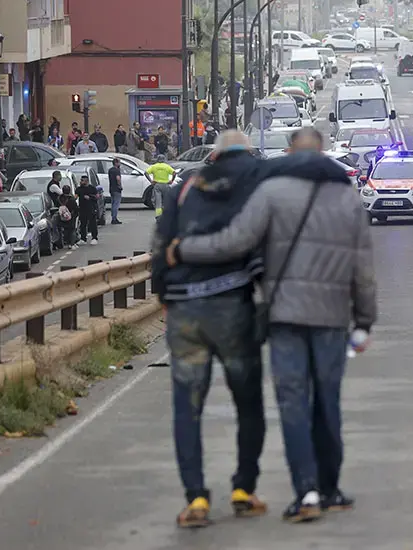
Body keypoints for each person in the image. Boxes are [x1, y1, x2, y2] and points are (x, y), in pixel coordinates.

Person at [167, 135, 377, 524]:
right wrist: (364, 319)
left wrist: (183, 251)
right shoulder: (347, 197)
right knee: (326, 401)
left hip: (283, 316)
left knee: (292, 403)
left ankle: (306, 491)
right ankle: (325, 488)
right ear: (323, 150)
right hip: (331, 317)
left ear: (290, 155)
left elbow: (236, 241)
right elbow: (363, 267)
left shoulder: (270, 191)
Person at [151, 131, 270, 528]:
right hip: (232, 304)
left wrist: (164, 294)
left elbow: (160, 243)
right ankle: (242, 488)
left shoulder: (186, 186)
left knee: (187, 407)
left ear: (214, 154)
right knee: (248, 400)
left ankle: (196, 500)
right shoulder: (258, 177)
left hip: (185, 307)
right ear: (247, 151)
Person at [147, 154, 177, 220]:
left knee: (158, 202)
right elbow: (174, 173)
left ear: (157, 159)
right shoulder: (167, 166)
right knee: (166, 201)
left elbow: (146, 173)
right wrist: (171, 180)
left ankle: (158, 216)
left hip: (157, 185)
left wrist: (151, 181)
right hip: (166, 185)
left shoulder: (154, 166)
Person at [74, 175, 99, 245]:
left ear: (86, 181)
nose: (80, 182)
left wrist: (90, 197)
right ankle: (83, 239)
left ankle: (94, 238)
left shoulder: (92, 188)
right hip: (82, 209)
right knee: (83, 224)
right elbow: (75, 197)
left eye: (82, 180)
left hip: (91, 208)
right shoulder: (79, 189)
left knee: (92, 223)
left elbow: (97, 197)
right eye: (80, 180)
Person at [58, 185, 79, 250]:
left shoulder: (60, 198)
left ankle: (68, 243)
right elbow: (75, 208)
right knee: (72, 230)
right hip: (71, 217)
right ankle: (72, 243)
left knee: (66, 230)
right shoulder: (72, 199)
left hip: (63, 217)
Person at [108, 158, 124, 224]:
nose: (120, 164)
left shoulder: (110, 170)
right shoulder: (117, 170)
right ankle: (114, 218)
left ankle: (113, 217)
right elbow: (118, 178)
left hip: (111, 188)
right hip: (116, 189)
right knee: (116, 204)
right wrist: (120, 186)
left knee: (113, 203)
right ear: (116, 163)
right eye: (119, 162)